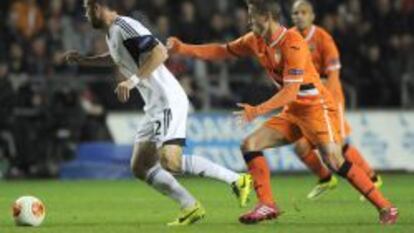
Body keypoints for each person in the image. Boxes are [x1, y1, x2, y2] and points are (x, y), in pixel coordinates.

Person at [167, 0, 398, 225]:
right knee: (250, 144)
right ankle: (267, 204)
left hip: (316, 108)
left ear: (266, 18)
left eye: (252, 16)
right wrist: (183, 48)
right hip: (293, 110)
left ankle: (386, 207)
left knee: (334, 160)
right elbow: (221, 50)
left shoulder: (293, 42)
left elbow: (290, 91)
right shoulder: (255, 40)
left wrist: (257, 110)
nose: (248, 21)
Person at [64, 0, 252, 226]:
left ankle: (237, 179)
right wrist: (84, 60)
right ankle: (190, 206)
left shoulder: (125, 26)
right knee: (140, 166)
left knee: (170, 162)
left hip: (167, 100)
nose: (85, 14)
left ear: (98, 6)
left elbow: (160, 52)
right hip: (154, 105)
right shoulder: (112, 34)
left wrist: (132, 80)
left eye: (86, 8)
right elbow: (115, 58)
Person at [290, 0, 383, 201]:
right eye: (295, 13)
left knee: (337, 147)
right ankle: (325, 178)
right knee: (299, 146)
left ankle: (372, 178)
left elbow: (333, 75)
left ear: (312, 16)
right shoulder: (289, 38)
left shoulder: (323, 39)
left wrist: (320, 94)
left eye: (303, 12)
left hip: (329, 100)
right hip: (304, 103)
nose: (299, 16)